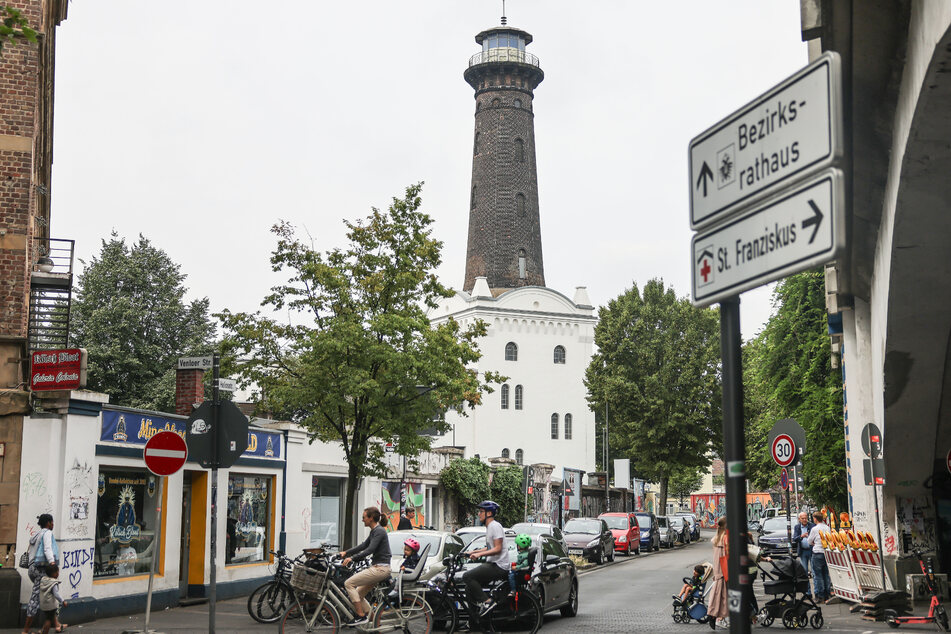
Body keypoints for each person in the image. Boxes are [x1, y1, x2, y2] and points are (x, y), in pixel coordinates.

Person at [339, 506, 392, 627]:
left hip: (380, 569)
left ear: (371, 518)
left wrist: (351, 558)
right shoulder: (375, 531)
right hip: (378, 568)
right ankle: (376, 624)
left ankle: (360, 616)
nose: (362, 520)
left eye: (364, 517)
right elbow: (363, 546)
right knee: (359, 593)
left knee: (348, 584)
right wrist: (346, 552)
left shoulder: (379, 531)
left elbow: (370, 549)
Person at [463, 500, 510, 617]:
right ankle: (475, 621)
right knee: (469, 589)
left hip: (499, 566)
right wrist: (472, 552)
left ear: (489, 513)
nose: (479, 514)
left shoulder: (495, 526)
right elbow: (489, 547)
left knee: (467, 576)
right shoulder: (489, 527)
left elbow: (498, 548)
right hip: (494, 564)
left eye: (481, 511)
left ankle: (487, 602)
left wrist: (479, 555)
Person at [23, 514, 66, 634]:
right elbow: (47, 548)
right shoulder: (47, 533)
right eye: (52, 522)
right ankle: (25, 630)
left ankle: (57, 625)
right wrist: (52, 563)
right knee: (36, 598)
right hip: (41, 568)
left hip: (32, 569)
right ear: (48, 522)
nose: (53, 524)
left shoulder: (37, 534)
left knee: (48, 592)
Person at [806, 511, 833, 603]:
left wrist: (814, 543)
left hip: (817, 552)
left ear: (815, 519)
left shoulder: (814, 529)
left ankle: (820, 595)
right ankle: (827, 593)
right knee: (826, 574)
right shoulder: (827, 528)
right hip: (826, 552)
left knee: (818, 575)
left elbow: (809, 541)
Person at [707, 517, 728, 629]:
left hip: (718, 569)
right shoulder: (725, 539)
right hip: (724, 569)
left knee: (718, 594)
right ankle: (715, 616)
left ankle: (715, 615)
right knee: (722, 596)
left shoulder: (716, 538)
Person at [38, 564, 68, 634]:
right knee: (49, 620)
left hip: (43, 603)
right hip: (50, 605)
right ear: (54, 573)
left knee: (48, 617)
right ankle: (45, 632)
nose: (58, 573)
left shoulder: (44, 580)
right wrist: (63, 601)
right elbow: (56, 594)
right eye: (58, 572)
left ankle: (44, 630)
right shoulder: (53, 583)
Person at [793, 511, 816, 596]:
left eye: (806, 518)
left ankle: (817, 592)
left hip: (812, 550)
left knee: (814, 571)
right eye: (803, 518)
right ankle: (807, 593)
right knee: (804, 572)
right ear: (799, 519)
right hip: (803, 551)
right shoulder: (797, 527)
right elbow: (795, 538)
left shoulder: (812, 526)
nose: (805, 520)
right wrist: (801, 536)